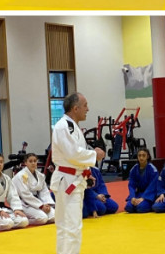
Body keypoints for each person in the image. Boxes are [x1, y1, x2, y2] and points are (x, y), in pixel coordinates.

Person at [50, 92, 105, 254]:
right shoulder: (64, 127)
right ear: (75, 108)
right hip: (68, 181)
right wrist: (95, 154)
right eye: (85, 105)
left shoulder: (71, 126)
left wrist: (86, 172)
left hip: (72, 178)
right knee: (72, 226)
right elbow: (73, 154)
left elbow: (74, 157)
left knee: (65, 226)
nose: (88, 109)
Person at [12, 153, 55, 225]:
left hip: (38, 201)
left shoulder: (40, 175)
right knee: (42, 218)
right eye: (30, 161)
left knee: (54, 216)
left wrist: (46, 204)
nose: (33, 163)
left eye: (35, 161)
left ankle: (40, 215)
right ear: (25, 163)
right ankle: (26, 220)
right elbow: (25, 195)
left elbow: (44, 191)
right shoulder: (20, 176)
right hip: (24, 203)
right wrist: (41, 206)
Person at [125, 148, 159, 213]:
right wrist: (132, 197)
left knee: (140, 208)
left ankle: (150, 204)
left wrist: (143, 198)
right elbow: (131, 185)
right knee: (129, 207)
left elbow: (153, 186)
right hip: (138, 194)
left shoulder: (153, 169)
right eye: (139, 155)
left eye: (143, 155)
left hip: (149, 195)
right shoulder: (134, 169)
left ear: (147, 156)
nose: (141, 158)